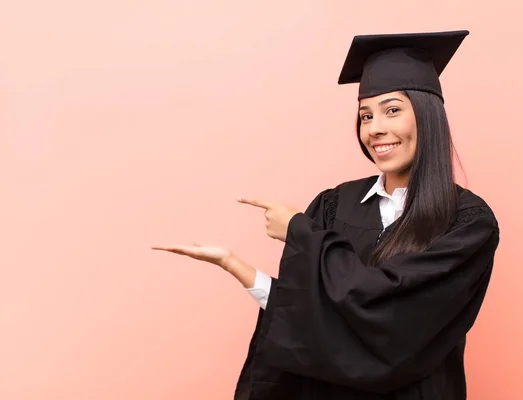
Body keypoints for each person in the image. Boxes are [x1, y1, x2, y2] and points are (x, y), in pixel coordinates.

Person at [152, 29, 500, 400]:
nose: (375, 128)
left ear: (428, 115)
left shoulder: (466, 222)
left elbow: (394, 322)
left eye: (392, 110)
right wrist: (241, 270)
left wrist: (301, 233)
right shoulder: (334, 205)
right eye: (365, 115)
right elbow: (309, 321)